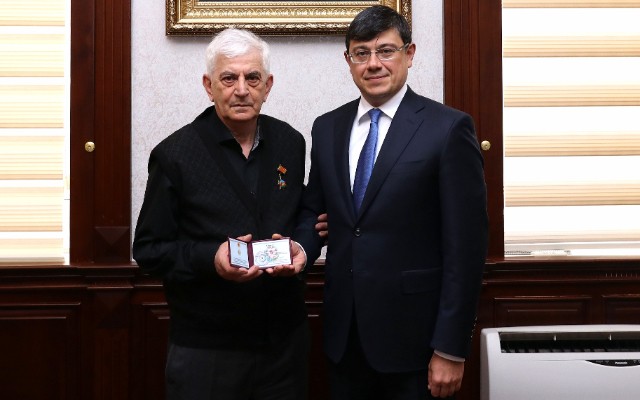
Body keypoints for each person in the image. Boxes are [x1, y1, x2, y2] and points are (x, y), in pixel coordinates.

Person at [293, 5, 489, 400]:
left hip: (416, 342)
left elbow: (466, 250)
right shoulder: (327, 127)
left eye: (386, 50)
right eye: (361, 53)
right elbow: (315, 208)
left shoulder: (448, 128)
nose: (373, 63)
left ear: (409, 54)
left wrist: (450, 348)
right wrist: (300, 247)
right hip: (344, 340)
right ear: (348, 61)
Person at [133, 28, 311, 400]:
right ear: (209, 86)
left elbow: (306, 215)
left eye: (252, 78)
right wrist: (210, 259)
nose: (241, 89)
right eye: (229, 78)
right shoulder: (174, 154)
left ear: (268, 85)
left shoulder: (290, 142)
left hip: (283, 346)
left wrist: (302, 248)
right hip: (206, 350)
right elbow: (149, 250)